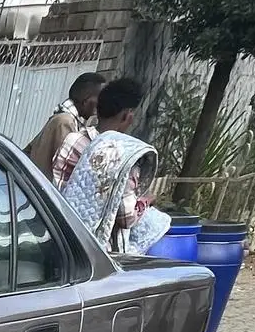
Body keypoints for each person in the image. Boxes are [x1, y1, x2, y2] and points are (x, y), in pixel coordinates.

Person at [57, 76, 171, 254]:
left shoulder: (73, 140)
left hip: (60, 231)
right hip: (99, 252)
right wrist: (146, 201)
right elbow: (127, 218)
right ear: (128, 115)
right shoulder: (123, 157)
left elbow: (57, 182)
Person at [26, 71, 104, 176]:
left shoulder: (68, 118)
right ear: (86, 101)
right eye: (99, 100)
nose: (100, 105)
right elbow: (66, 166)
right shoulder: (65, 122)